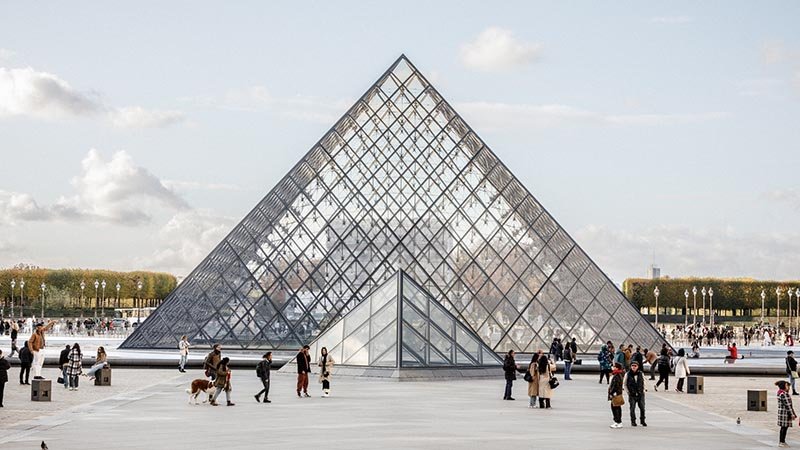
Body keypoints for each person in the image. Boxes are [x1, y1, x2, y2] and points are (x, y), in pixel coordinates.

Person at [624, 361, 646, 427]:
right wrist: (628, 392)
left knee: (642, 408)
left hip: (640, 393)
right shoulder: (627, 374)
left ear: (638, 367)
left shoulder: (641, 373)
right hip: (632, 394)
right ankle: (633, 421)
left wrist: (643, 390)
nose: (633, 367)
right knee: (632, 408)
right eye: (632, 365)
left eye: (635, 366)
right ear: (630, 366)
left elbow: (644, 381)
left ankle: (642, 421)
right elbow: (625, 384)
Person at [777, 380, 797, 447]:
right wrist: (792, 414)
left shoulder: (780, 393)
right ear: (784, 386)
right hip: (785, 413)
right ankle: (782, 442)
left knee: (784, 427)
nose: (788, 387)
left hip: (783, 413)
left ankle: (782, 441)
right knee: (784, 428)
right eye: (787, 385)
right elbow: (788, 405)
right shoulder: (784, 394)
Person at [608, 362, 625, 428]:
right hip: (615, 394)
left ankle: (618, 421)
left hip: (615, 394)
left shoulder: (617, 375)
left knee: (615, 408)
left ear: (617, 368)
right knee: (616, 407)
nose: (612, 367)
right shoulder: (616, 374)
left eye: (614, 366)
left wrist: (613, 393)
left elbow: (617, 385)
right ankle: (617, 421)